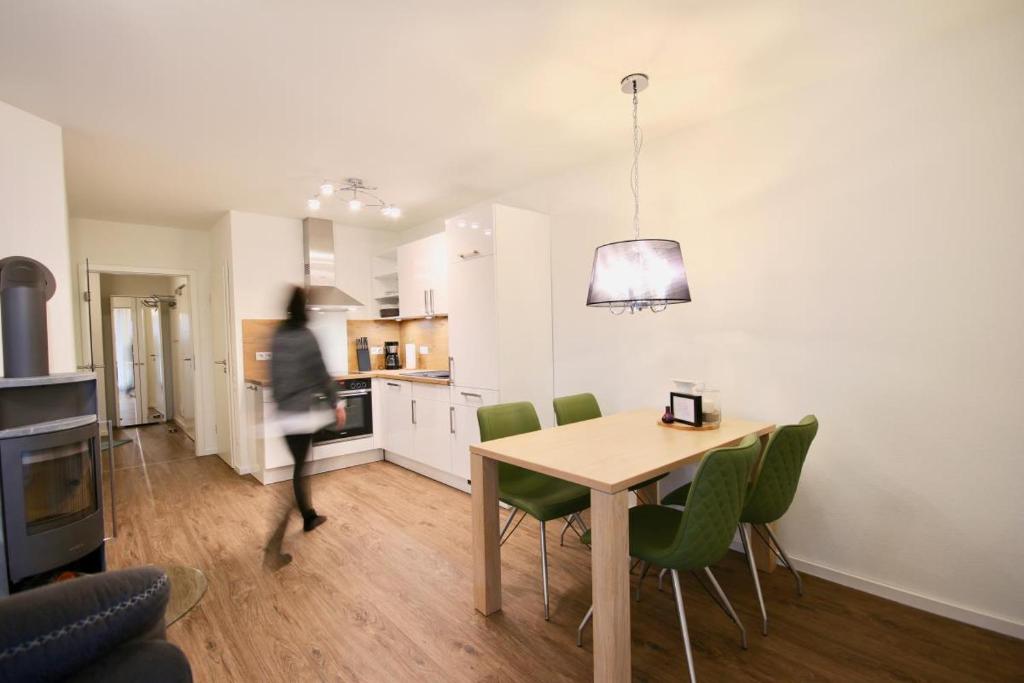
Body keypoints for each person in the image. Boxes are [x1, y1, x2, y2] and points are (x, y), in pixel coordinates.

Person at [269, 286, 346, 534]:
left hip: (284, 413)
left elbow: (275, 374)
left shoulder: (278, 335)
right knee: (301, 468)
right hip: (301, 414)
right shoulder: (305, 336)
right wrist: (337, 403)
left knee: (300, 466)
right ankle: (290, 524)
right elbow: (321, 375)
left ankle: (307, 515)